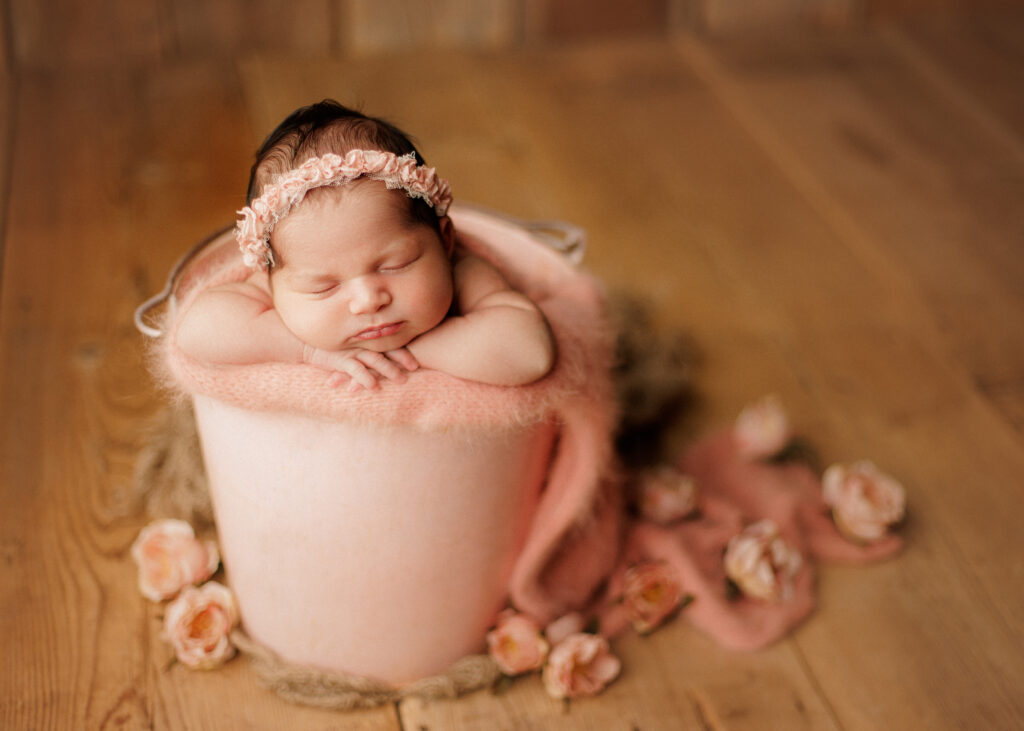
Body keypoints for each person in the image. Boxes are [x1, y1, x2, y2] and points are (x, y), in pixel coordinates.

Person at [176, 100, 555, 391]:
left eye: (394, 265)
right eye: (323, 287)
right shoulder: (276, 286)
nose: (368, 300)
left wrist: (414, 353)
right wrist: (308, 351)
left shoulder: (465, 272)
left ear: (445, 240)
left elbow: (529, 352)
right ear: (270, 277)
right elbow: (196, 331)